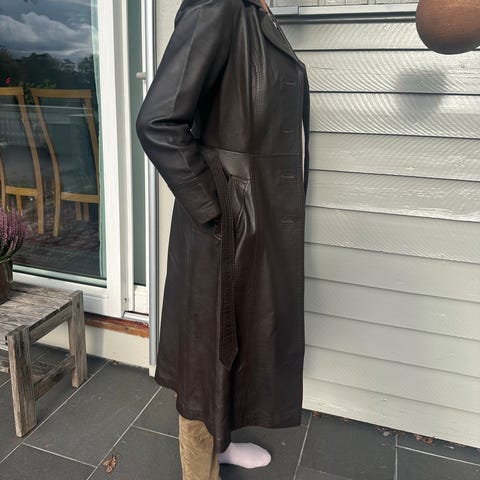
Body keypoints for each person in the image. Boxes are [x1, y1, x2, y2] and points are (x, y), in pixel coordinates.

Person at [136, 0, 310, 477]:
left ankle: (222, 443)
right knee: (204, 364)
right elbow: (157, 122)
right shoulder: (218, 6)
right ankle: (201, 469)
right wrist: (215, 207)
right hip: (224, 232)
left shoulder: (255, 12)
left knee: (232, 352)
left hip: (254, 224)